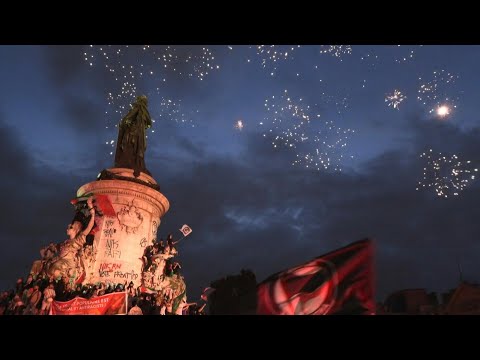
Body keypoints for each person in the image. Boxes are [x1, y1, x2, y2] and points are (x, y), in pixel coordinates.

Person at [47, 197, 96, 283]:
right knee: (50, 268)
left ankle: (64, 281)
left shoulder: (78, 239)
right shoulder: (64, 242)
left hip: (69, 263)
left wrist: (92, 211)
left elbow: (89, 227)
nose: (67, 228)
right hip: (61, 263)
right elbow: (55, 249)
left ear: (75, 230)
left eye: (70, 227)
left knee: (55, 269)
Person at [114, 95, 152, 177]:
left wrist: (126, 122)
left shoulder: (138, 107)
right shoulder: (144, 111)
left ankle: (129, 162)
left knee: (129, 147)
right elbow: (149, 124)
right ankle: (135, 163)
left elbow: (128, 118)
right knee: (136, 149)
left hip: (133, 132)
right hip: (139, 134)